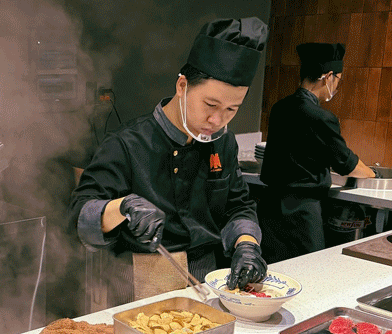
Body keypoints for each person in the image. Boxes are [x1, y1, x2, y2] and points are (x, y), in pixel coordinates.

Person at [69, 17, 269, 307]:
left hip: (208, 277)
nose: (217, 120)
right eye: (210, 105)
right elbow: (79, 213)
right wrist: (122, 207)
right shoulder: (127, 144)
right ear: (182, 86)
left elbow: (237, 206)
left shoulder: (223, 142)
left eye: (231, 109)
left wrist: (247, 245)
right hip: (140, 280)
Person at [258, 42, 375, 263]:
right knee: (308, 272)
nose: (337, 86)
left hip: (270, 207)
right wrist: (372, 175)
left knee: (273, 272)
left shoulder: (280, 107)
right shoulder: (321, 117)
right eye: (338, 80)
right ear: (328, 76)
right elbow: (346, 163)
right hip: (301, 213)